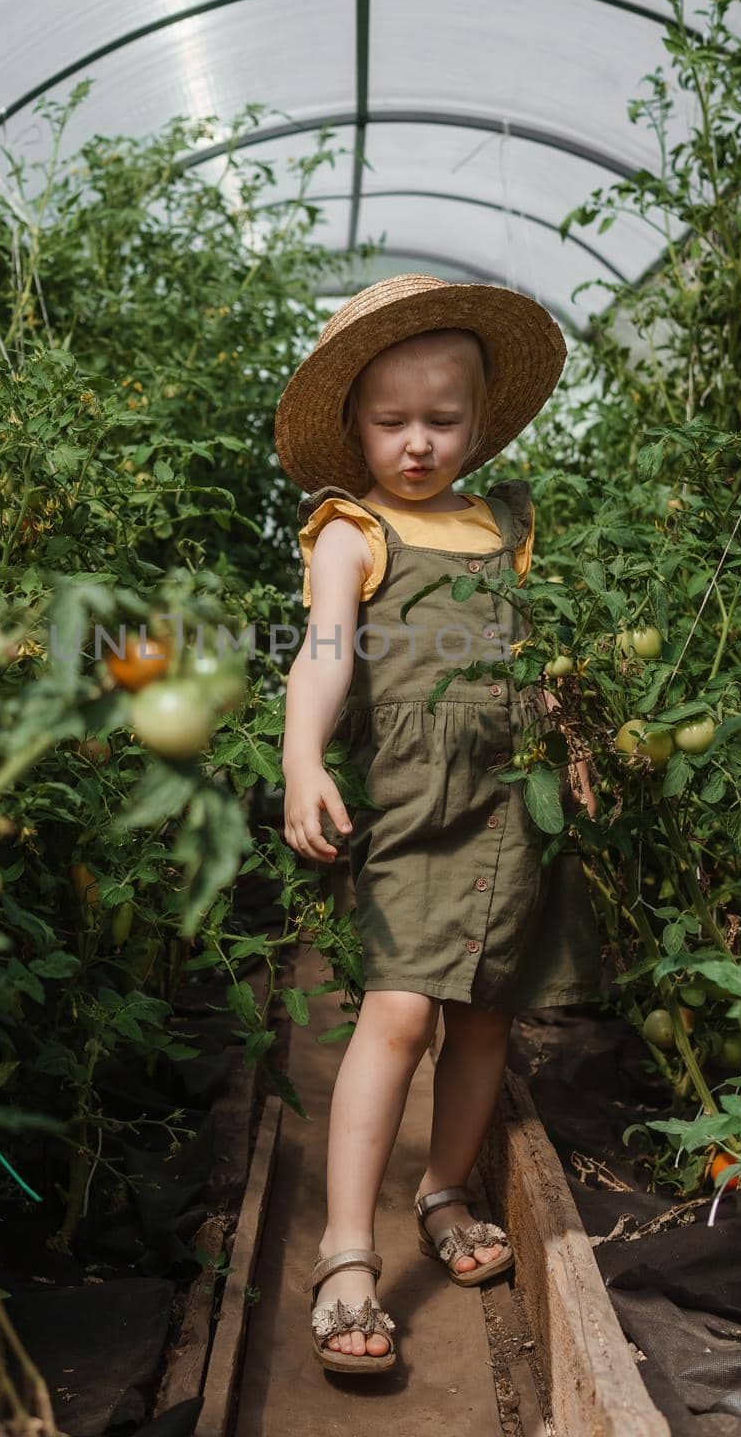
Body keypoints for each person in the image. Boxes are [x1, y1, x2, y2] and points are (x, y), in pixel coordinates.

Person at [274, 273, 602, 1376]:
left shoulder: (502, 522)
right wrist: (301, 755)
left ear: (476, 422)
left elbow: (535, 653)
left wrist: (570, 738)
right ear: (355, 425)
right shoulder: (350, 530)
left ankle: (443, 1191)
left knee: (482, 1013)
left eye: (441, 421)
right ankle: (345, 1251)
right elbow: (323, 653)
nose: (415, 444)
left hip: (512, 803)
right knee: (401, 1009)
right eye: (389, 421)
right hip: (418, 802)